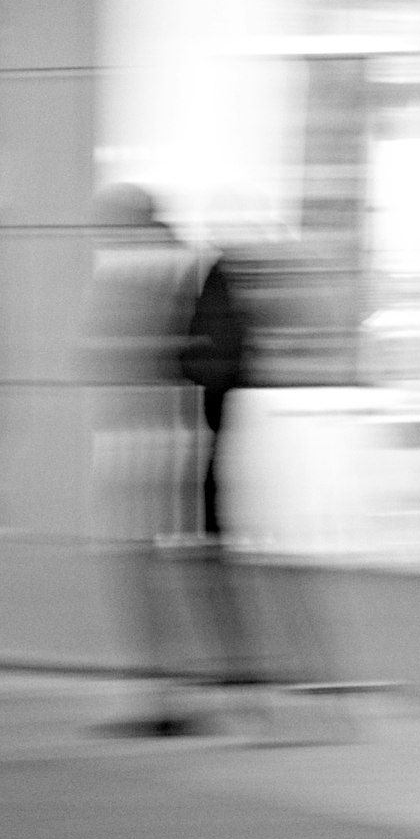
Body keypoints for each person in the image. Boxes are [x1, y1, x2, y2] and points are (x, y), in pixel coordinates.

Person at [85, 183, 261, 735]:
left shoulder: (188, 270)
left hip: (179, 443)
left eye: (112, 222)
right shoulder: (135, 269)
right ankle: (168, 697)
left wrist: (158, 369)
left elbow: (219, 359)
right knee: (162, 571)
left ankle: (220, 696)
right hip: (154, 443)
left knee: (190, 573)